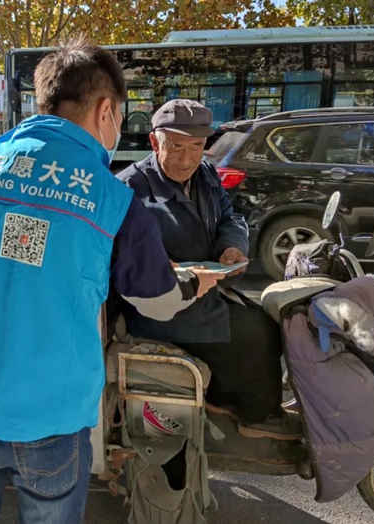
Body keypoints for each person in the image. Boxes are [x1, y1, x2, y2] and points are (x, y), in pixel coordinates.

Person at [0, 38, 224, 524]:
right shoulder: (112, 200)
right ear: (105, 111)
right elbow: (155, 301)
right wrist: (196, 284)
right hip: (53, 419)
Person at [116, 99, 299, 439]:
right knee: (256, 333)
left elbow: (231, 217)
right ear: (155, 143)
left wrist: (231, 247)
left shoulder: (206, 175)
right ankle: (257, 416)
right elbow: (127, 269)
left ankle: (225, 399)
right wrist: (175, 274)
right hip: (162, 306)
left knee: (271, 318)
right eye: (176, 147)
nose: (186, 159)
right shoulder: (129, 190)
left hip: (205, 291)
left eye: (196, 147)